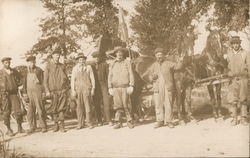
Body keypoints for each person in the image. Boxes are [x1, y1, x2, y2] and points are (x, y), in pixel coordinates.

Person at [149, 47, 183, 129]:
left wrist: (181, 60)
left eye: (161, 55)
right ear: (155, 56)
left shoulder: (168, 63)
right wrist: (152, 77)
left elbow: (178, 67)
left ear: (163, 55)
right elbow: (149, 77)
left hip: (167, 86)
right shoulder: (153, 66)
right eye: (158, 55)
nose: (159, 56)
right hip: (157, 87)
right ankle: (160, 121)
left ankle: (169, 121)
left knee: (168, 104)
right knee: (158, 105)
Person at [108, 46, 135, 129]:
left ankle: (129, 121)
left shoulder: (127, 62)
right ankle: (118, 122)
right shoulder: (112, 64)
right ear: (115, 54)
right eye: (117, 52)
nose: (119, 54)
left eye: (121, 52)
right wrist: (110, 87)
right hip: (115, 88)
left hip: (125, 87)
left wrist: (131, 85)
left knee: (126, 104)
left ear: (123, 54)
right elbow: (110, 76)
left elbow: (131, 73)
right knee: (117, 105)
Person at [44, 48, 70, 132]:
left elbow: (67, 79)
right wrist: (47, 91)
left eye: (58, 55)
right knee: (54, 108)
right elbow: (45, 80)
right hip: (53, 91)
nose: (57, 56)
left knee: (61, 108)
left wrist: (66, 88)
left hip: (62, 91)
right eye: (56, 55)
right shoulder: (48, 66)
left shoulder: (62, 66)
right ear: (52, 56)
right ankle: (56, 125)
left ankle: (62, 126)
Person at [225, 36, 249, 126]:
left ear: (239, 44)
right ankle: (234, 118)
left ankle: (243, 119)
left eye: (237, 43)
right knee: (232, 100)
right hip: (233, 80)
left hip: (243, 79)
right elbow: (226, 67)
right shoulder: (228, 54)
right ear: (231, 45)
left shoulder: (245, 53)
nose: (235, 45)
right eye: (234, 43)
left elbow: (249, 66)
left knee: (243, 99)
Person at [0, 57, 25, 136]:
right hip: (5, 95)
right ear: (3, 63)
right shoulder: (1, 72)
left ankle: (20, 127)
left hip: (14, 94)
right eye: (6, 63)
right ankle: (9, 129)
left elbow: (21, 78)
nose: (8, 64)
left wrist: (20, 85)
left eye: (9, 62)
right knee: (6, 113)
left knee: (18, 111)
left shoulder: (14, 71)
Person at [23, 56, 47, 134]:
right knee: (30, 110)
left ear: (35, 62)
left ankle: (43, 126)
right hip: (29, 92)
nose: (32, 63)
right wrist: (25, 93)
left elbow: (43, 81)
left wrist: (44, 92)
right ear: (28, 63)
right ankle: (32, 126)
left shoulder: (39, 70)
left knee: (40, 109)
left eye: (33, 62)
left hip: (38, 91)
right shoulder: (25, 71)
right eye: (30, 62)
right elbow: (24, 83)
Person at [71, 53, 95, 129]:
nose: (81, 61)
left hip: (87, 89)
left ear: (85, 60)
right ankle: (80, 124)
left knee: (88, 107)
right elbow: (72, 80)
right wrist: (73, 90)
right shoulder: (75, 68)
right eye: (80, 60)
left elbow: (92, 79)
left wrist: (93, 88)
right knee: (79, 107)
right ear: (78, 60)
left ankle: (89, 123)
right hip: (78, 90)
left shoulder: (88, 67)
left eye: (83, 59)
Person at [91, 51, 113, 126]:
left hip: (103, 85)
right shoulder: (91, 66)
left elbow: (108, 76)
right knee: (96, 103)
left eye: (98, 57)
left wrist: (109, 86)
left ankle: (108, 119)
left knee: (106, 102)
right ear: (93, 58)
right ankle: (99, 120)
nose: (96, 59)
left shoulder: (104, 65)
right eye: (95, 57)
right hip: (95, 87)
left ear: (100, 57)